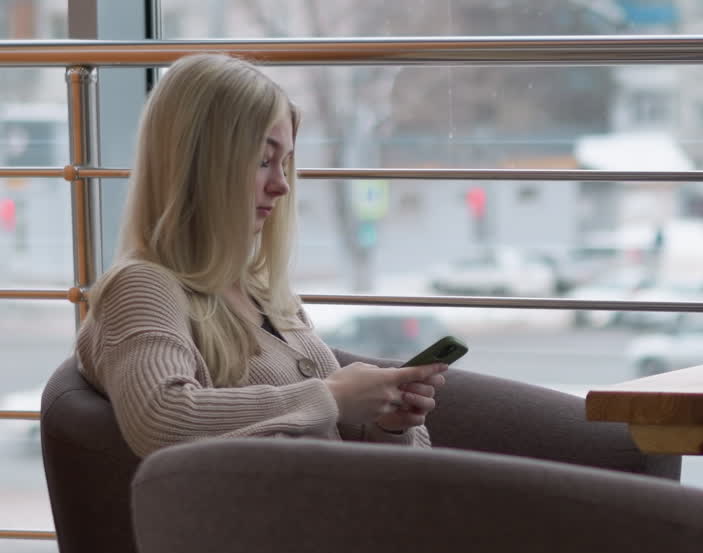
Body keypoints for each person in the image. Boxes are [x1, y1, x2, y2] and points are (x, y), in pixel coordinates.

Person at [76, 53, 447, 458]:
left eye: (285, 163)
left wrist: (387, 425)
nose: (282, 186)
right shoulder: (142, 286)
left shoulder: (258, 289)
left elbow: (340, 435)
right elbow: (162, 417)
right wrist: (332, 397)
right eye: (263, 161)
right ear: (198, 165)